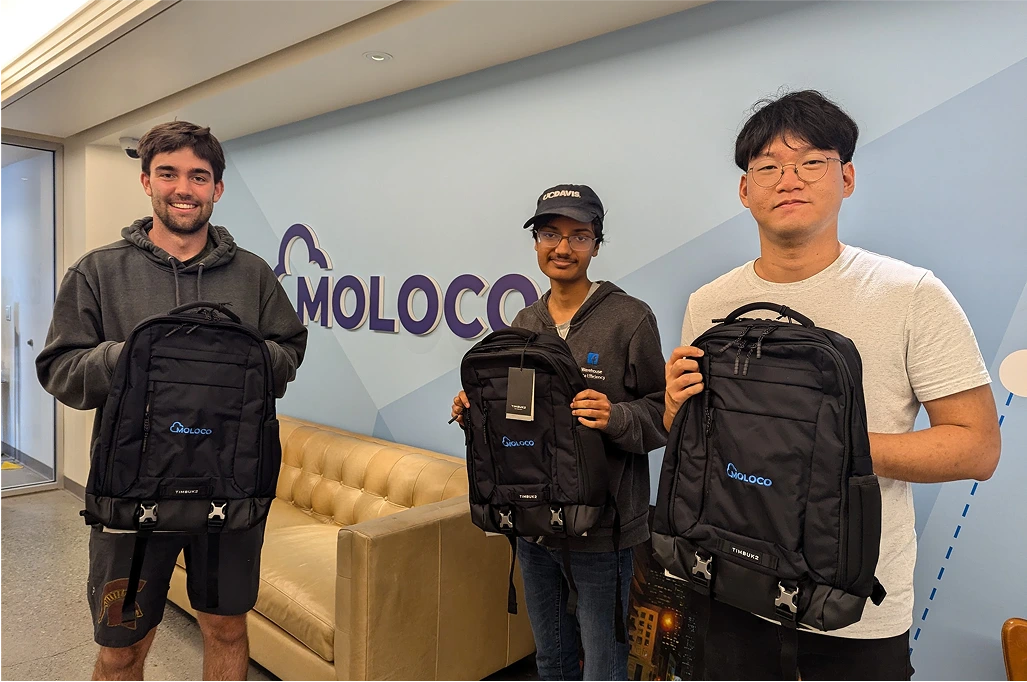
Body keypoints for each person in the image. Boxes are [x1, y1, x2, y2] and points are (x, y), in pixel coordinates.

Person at [662, 90, 1001, 681]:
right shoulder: (710, 303)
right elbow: (696, 443)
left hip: (853, 612)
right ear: (745, 191)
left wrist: (829, 449)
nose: (788, 179)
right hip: (726, 584)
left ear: (845, 177)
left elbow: (977, 447)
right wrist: (675, 411)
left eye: (811, 162)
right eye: (767, 166)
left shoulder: (910, 294)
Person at [36, 121, 307, 682]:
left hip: (230, 489)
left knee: (228, 630)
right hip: (131, 491)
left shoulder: (253, 274)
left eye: (198, 177)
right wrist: (132, 358)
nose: (184, 188)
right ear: (146, 181)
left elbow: (289, 349)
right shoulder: (98, 272)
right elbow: (61, 371)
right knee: (121, 651)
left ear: (217, 189)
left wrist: (247, 362)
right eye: (169, 174)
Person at [451, 184, 667, 681]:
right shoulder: (526, 321)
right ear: (535, 242)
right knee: (550, 659)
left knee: (604, 666)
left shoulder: (629, 319)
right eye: (551, 234)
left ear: (596, 244)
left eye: (579, 236)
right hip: (534, 523)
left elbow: (664, 414)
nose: (563, 248)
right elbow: (522, 416)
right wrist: (479, 411)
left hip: (605, 528)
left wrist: (617, 416)